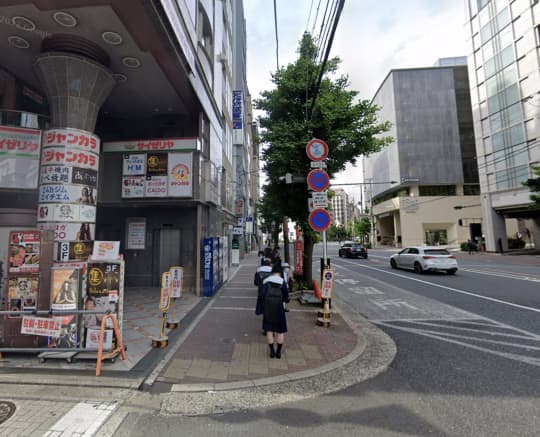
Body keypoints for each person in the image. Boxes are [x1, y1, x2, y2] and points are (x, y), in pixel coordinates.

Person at [261, 263, 289, 358]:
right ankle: (278, 352)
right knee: (280, 331)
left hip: (268, 308)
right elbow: (286, 297)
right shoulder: (282, 282)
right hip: (279, 308)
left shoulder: (266, 281)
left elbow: (262, 295)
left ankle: (272, 351)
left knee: (269, 330)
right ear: (280, 272)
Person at [254, 258, 273, 328]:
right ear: (270, 264)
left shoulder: (259, 271)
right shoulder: (273, 271)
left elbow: (255, 282)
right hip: (271, 292)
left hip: (262, 292)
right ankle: (270, 328)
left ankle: (266, 328)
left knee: (264, 310)